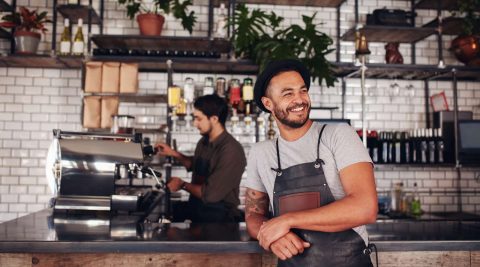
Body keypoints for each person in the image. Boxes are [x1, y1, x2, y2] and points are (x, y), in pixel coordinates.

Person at [245, 59, 378, 266]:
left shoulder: (338, 135)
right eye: (288, 93)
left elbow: (365, 207)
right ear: (268, 103)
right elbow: (254, 215)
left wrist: (287, 221)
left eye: (303, 91)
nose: (299, 100)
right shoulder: (261, 153)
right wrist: (273, 238)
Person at [156, 94, 246, 223]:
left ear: (214, 119)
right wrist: (173, 153)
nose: (194, 123)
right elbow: (195, 165)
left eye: (198, 118)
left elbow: (210, 194)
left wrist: (182, 185)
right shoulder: (204, 141)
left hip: (219, 219)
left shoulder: (231, 150)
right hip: (199, 211)